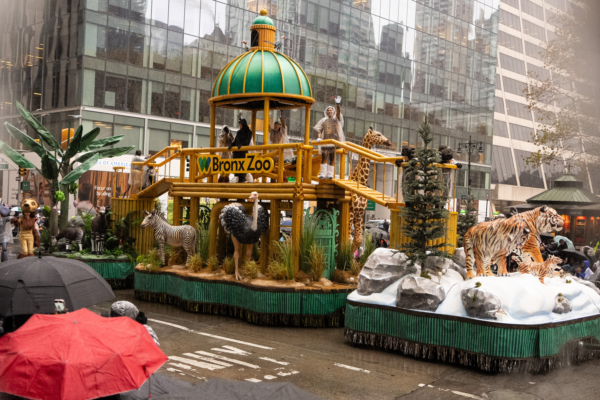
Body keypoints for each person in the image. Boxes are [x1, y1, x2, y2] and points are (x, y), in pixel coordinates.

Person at [313, 96, 345, 179]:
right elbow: (319, 129)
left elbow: (338, 113)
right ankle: (323, 173)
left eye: (331, 110)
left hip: (333, 141)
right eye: (328, 110)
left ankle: (330, 174)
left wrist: (337, 105)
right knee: (324, 157)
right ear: (326, 112)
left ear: (333, 111)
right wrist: (319, 137)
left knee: (332, 157)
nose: (329, 111)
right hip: (325, 141)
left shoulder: (336, 119)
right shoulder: (323, 120)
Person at [229, 119, 253, 183]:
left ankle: (241, 185)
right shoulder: (239, 132)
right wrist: (232, 145)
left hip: (242, 154)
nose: (239, 125)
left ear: (242, 124)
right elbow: (235, 141)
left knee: (242, 173)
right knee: (238, 172)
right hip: (237, 154)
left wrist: (241, 145)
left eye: (240, 124)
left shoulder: (248, 132)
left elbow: (247, 142)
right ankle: (240, 185)